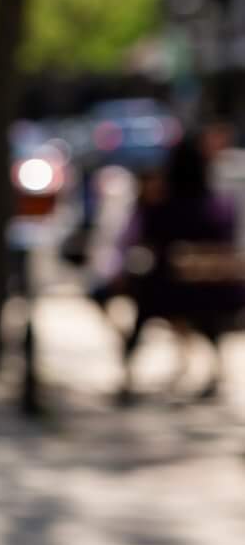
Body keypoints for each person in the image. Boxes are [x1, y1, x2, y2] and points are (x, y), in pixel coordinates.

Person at [90, 127, 245, 401]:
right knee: (204, 319)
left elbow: (137, 242)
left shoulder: (159, 206)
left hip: (164, 288)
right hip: (213, 289)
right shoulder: (216, 207)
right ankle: (213, 371)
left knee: (137, 305)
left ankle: (127, 376)